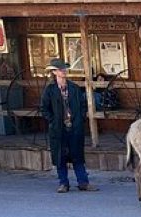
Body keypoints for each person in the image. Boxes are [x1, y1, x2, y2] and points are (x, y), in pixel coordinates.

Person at [40, 58, 98, 193]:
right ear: (54, 72)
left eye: (64, 69)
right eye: (60, 69)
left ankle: (83, 182)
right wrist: (53, 121)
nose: (63, 71)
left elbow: (83, 105)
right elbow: (44, 108)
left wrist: (80, 118)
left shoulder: (74, 88)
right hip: (58, 128)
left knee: (77, 155)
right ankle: (63, 183)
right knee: (60, 157)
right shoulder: (50, 90)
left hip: (74, 126)